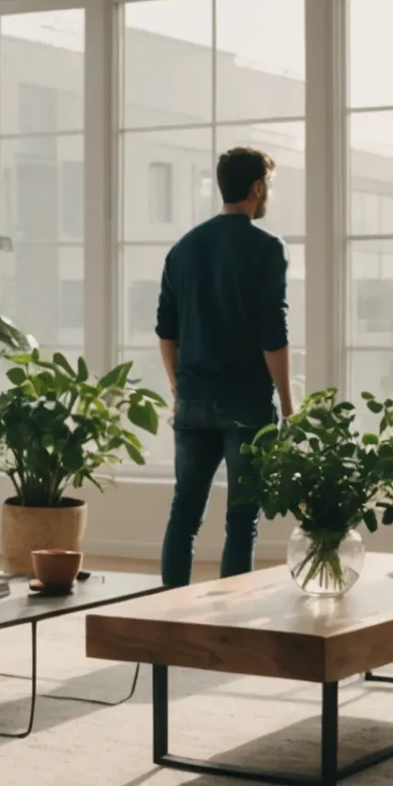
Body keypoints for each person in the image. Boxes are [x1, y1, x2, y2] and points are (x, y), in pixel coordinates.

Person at [154, 146, 295, 588]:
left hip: (194, 399)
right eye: (267, 184)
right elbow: (274, 335)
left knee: (185, 514)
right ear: (256, 188)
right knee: (241, 520)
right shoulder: (267, 249)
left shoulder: (184, 248)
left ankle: (164, 615)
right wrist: (289, 407)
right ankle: (230, 622)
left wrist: (180, 389)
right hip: (247, 404)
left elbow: (166, 331)